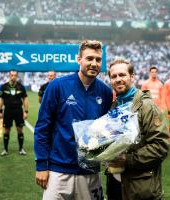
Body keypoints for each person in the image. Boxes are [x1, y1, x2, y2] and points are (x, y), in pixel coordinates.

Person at [34, 40, 113, 200]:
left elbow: (106, 130)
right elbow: (42, 128)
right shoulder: (57, 86)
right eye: (89, 58)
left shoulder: (105, 92)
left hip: (90, 173)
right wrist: (42, 165)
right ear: (79, 60)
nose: (94, 63)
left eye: (98, 60)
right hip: (59, 171)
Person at [106, 58, 170, 200]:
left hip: (140, 189)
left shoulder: (146, 107)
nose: (118, 79)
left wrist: (127, 160)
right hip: (115, 186)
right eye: (113, 76)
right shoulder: (114, 106)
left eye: (122, 75)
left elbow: (161, 146)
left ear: (132, 77)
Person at [0, 70, 28, 156]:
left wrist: (26, 111)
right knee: (6, 130)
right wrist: (0, 111)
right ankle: (5, 149)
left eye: (15, 75)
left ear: (17, 76)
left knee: (20, 130)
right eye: (12, 75)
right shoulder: (4, 87)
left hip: (18, 111)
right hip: (7, 111)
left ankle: (21, 149)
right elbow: (1, 99)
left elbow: (25, 99)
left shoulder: (21, 87)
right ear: (9, 75)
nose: (13, 77)